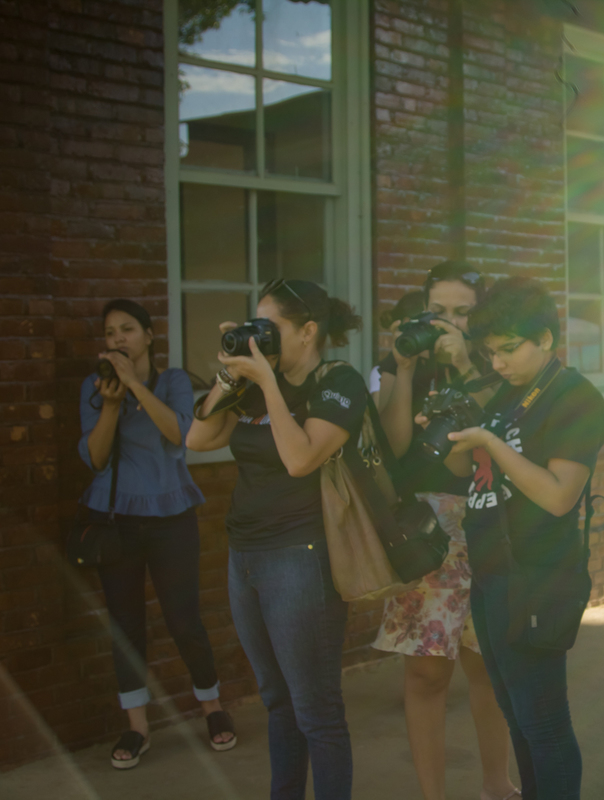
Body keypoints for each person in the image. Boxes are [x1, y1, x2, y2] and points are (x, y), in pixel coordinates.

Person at [430, 277, 604, 800]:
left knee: (545, 724)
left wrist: (490, 441)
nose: (499, 362)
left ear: (546, 339)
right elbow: (463, 471)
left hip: (538, 574)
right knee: (517, 717)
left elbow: (558, 496)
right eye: (490, 352)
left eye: (509, 349)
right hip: (491, 570)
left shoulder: (574, 396)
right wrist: (448, 432)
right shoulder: (506, 393)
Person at [186, 279, 365, 800]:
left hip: (301, 557)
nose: (259, 335)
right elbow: (198, 438)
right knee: (277, 701)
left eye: (270, 327)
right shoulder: (253, 382)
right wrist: (231, 372)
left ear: (308, 331)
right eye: (255, 324)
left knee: (316, 710)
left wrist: (266, 382)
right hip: (245, 556)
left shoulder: (338, 382)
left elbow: (300, 459)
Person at [371, 262, 518, 800]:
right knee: (426, 676)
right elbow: (395, 447)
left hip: (484, 524)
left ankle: (496, 784)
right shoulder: (397, 362)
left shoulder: (498, 363)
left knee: (487, 669)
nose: (447, 323)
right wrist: (404, 368)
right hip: (424, 532)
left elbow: (496, 436)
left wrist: (461, 364)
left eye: (462, 312)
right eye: (437, 311)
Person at [78, 299, 234, 769]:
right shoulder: (94, 387)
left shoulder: (174, 382)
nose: (117, 339)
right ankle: (137, 726)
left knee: (184, 620)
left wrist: (134, 386)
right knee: (125, 625)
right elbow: (96, 459)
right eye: (110, 333)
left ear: (148, 336)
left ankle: (212, 706)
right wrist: (111, 403)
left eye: (127, 329)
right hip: (116, 519)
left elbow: (178, 434)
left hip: (171, 517)